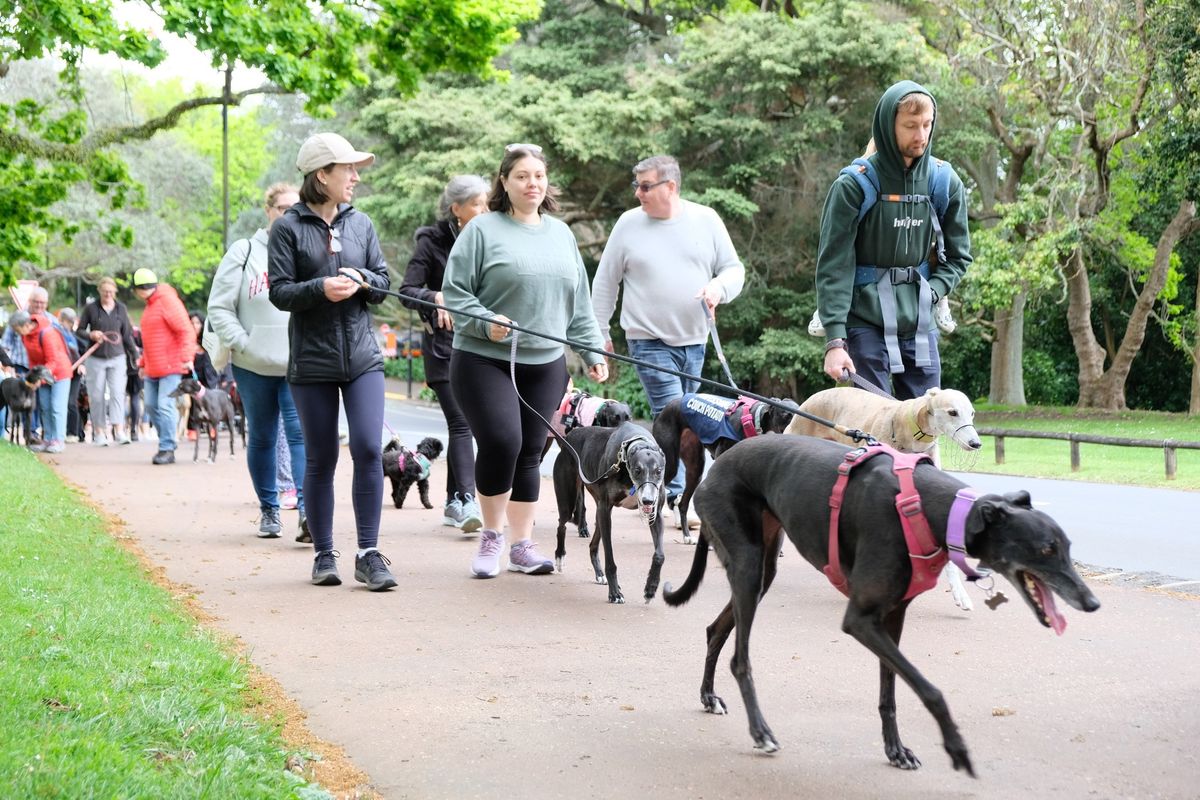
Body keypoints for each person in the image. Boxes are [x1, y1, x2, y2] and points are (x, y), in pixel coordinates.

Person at [443, 143, 609, 579]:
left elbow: (579, 302)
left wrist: (591, 351)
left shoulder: (561, 234)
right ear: (504, 182)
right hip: (484, 358)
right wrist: (485, 323)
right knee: (502, 441)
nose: (532, 182)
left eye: (538, 175)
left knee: (530, 452)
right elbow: (456, 293)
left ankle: (521, 545)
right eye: (521, 175)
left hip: (546, 362)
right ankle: (491, 537)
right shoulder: (481, 231)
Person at [268, 133, 396, 591]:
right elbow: (280, 292)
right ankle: (324, 554)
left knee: (366, 448)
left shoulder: (361, 224)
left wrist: (362, 279)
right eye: (348, 169)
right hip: (312, 362)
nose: (356, 177)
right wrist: (320, 288)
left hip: (363, 358)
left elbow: (382, 283)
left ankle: (369, 553)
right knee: (321, 457)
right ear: (322, 175)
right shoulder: (287, 227)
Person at [591, 154, 745, 530]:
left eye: (645, 186)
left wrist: (718, 288)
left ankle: (676, 492)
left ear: (670, 186)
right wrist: (599, 335)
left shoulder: (705, 219)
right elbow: (605, 283)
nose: (638, 193)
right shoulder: (629, 225)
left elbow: (733, 269)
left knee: (690, 426)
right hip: (647, 340)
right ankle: (676, 496)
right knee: (672, 413)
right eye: (637, 186)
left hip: (695, 340)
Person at [815, 80, 972, 399]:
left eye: (927, 125)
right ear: (888, 126)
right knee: (869, 434)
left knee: (924, 431)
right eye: (911, 126)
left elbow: (958, 257)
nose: (921, 135)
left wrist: (933, 291)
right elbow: (834, 266)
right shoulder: (853, 185)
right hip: (864, 324)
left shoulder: (943, 182)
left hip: (920, 324)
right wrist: (834, 341)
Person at [209, 182, 309, 542]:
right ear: (268, 211)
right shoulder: (245, 251)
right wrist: (241, 342)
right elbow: (219, 306)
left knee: (301, 435)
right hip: (253, 364)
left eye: (295, 208)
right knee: (263, 436)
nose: (288, 214)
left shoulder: (306, 251)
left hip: (297, 362)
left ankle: (306, 511)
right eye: (282, 207)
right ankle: (269, 509)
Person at [399, 175, 489, 533]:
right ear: (457, 209)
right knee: (462, 421)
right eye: (478, 204)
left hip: (482, 348)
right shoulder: (431, 241)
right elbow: (406, 290)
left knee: (472, 425)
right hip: (443, 348)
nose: (485, 209)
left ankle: (454, 499)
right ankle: (466, 500)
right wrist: (435, 297)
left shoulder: (492, 237)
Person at [132, 268, 194, 465]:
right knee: (150, 405)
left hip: (171, 365)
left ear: (139, 289)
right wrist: (142, 363)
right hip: (152, 366)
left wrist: (186, 356)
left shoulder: (167, 301)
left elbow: (186, 330)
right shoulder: (150, 306)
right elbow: (149, 340)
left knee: (165, 405)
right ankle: (168, 440)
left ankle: (167, 447)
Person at [76, 277, 137, 445]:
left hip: (117, 357)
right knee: (96, 395)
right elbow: (79, 330)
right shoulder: (91, 309)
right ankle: (99, 431)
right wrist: (91, 334)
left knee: (118, 393)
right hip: (96, 358)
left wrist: (135, 355)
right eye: (105, 292)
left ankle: (119, 430)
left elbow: (126, 335)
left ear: (115, 292)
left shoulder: (121, 309)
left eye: (110, 292)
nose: (108, 295)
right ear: (100, 292)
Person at [8, 308, 72, 453]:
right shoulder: (26, 336)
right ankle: (48, 439)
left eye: (17, 329)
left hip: (59, 373)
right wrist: (32, 377)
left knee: (57, 407)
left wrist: (39, 378)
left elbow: (53, 361)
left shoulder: (47, 333)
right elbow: (32, 360)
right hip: (41, 373)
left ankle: (58, 440)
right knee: (45, 407)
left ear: (25, 325)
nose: (17, 333)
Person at [56, 307, 86, 442]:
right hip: (60, 372)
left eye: (71, 322)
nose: (69, 324)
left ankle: (74, 432)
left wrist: (81, 364)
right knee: (61, 403)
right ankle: (65, 432)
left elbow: (82, 353)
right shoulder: (56, 334)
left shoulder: (75, 337)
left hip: (74, 373)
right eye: (67, 321)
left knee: (71, 402)